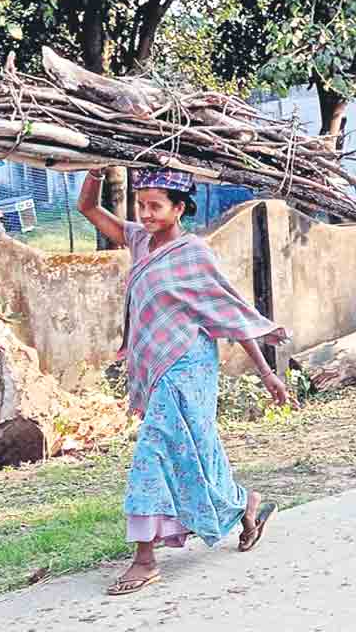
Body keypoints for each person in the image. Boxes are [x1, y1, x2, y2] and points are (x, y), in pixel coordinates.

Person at [77, 167, 293, 596]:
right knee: (194, 450)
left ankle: (145, 559)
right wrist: (95, 172)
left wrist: (267, 372)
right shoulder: (138, 240)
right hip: (156, 368)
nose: (147, 213)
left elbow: (227, 315)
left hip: (189, 367)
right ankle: (244, 505)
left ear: (179, 208)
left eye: (156, 206)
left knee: (154, 449)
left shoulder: (194, 253)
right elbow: (86, 208)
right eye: (142, 205)